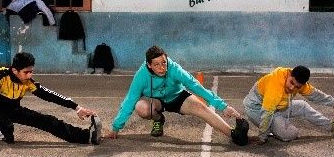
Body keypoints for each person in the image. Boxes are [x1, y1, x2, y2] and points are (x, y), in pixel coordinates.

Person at [104, 45, 249, 146]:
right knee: (141, 107)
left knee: (202, 108)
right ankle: (158, 119)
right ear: (148, 65)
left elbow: (195, 86)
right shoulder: (141, 75)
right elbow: (130, 100)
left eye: (164, 63)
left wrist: (223, 106)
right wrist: (115, 128)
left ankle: (233, 135)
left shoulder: (174, 69)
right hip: (155, 101)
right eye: (156, 65)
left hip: (177, 97)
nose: (162, 68)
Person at [0, 52, 102, 151]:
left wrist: (77, 108)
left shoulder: (27, 81)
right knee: (8, 136)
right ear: (15, 71)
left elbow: (49, 95)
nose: (29, 76)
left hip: (14, 109)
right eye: (26, 72)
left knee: (48, 121)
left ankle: (87, 136)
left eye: (31, 72)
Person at [243, 65, 334, 144]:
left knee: (303, 106)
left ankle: (333, 127)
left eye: (297, 86)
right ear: (289, 74)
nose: (292, 88)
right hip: (256, 109)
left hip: (277, 107)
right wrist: (262, 137)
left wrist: (333, 104)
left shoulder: (298, 82)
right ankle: (273, 129)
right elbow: (266, 114)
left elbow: (314, 94)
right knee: (291, 134)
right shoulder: (275, 86)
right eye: (291, 82)